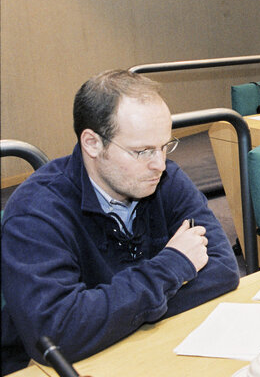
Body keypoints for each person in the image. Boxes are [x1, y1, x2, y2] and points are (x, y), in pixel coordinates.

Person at [1, 70, 240, 375]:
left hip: (152, 352)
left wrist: (110, 314)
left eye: (165, 146)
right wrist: (173, 265)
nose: (160, 164)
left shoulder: (166, 181)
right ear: (92, 143)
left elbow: (222, 270)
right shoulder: (36, 211)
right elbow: (57, 334)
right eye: (142, 151)